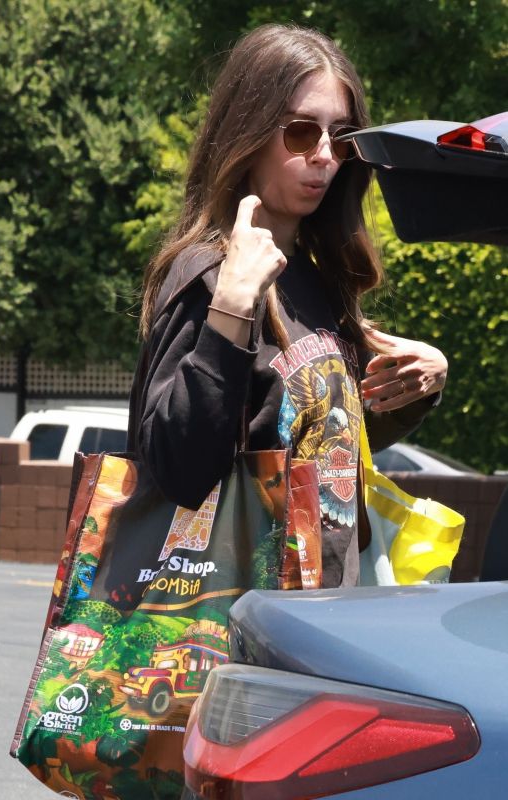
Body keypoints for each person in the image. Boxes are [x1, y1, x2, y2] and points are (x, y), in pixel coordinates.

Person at [128, 23, 447, 588]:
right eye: (301, 132)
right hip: (237, 624)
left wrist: (416, 385)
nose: (324, 155)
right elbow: (176, 472)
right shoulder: (207, 272)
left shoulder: (318, 283)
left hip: (322, 610)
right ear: (247, 136)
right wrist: (231, 307)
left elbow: (315, 441)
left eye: (341, 136)